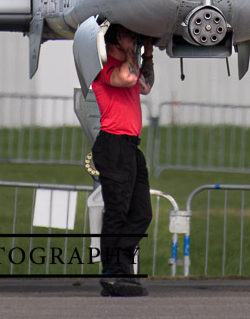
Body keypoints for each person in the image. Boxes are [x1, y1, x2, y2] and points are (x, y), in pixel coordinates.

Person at [90, 22, 154, 297]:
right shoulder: (103, 69)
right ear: (114, 42)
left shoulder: (130, 65)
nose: (133, 42)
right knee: (116, 212)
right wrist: (131, 51)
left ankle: (122, 268)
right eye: (127, 37)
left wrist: (148, 53)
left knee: (141, 213)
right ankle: (113, 274)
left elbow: (145, 85)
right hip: (113, 145)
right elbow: (127, 77)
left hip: (129, 147)